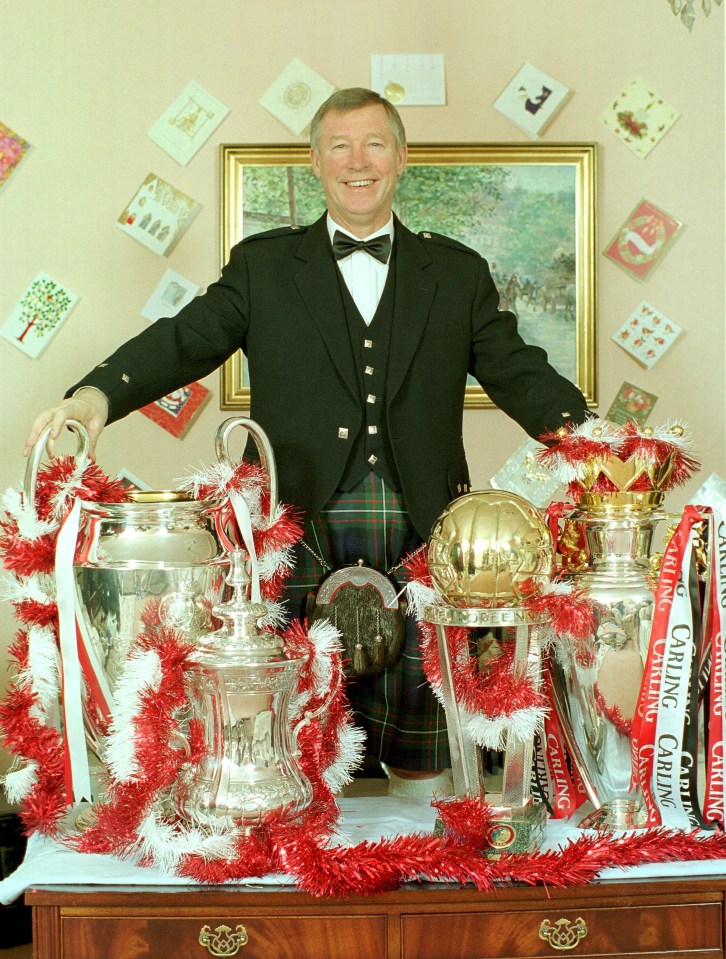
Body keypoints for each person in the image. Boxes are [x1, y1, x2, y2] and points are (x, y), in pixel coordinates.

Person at [24, 87, 590, 796]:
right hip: (294, 528)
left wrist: (594, 441)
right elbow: (184, 340)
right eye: (340, 147)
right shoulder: (263, 267)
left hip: (423, 535)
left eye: (375, 144)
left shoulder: (455, 273)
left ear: (403, 158)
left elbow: (518, 372)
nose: (358, 161)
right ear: (316, 162)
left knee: (425, 770)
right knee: (299, 760)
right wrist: (96, 396)